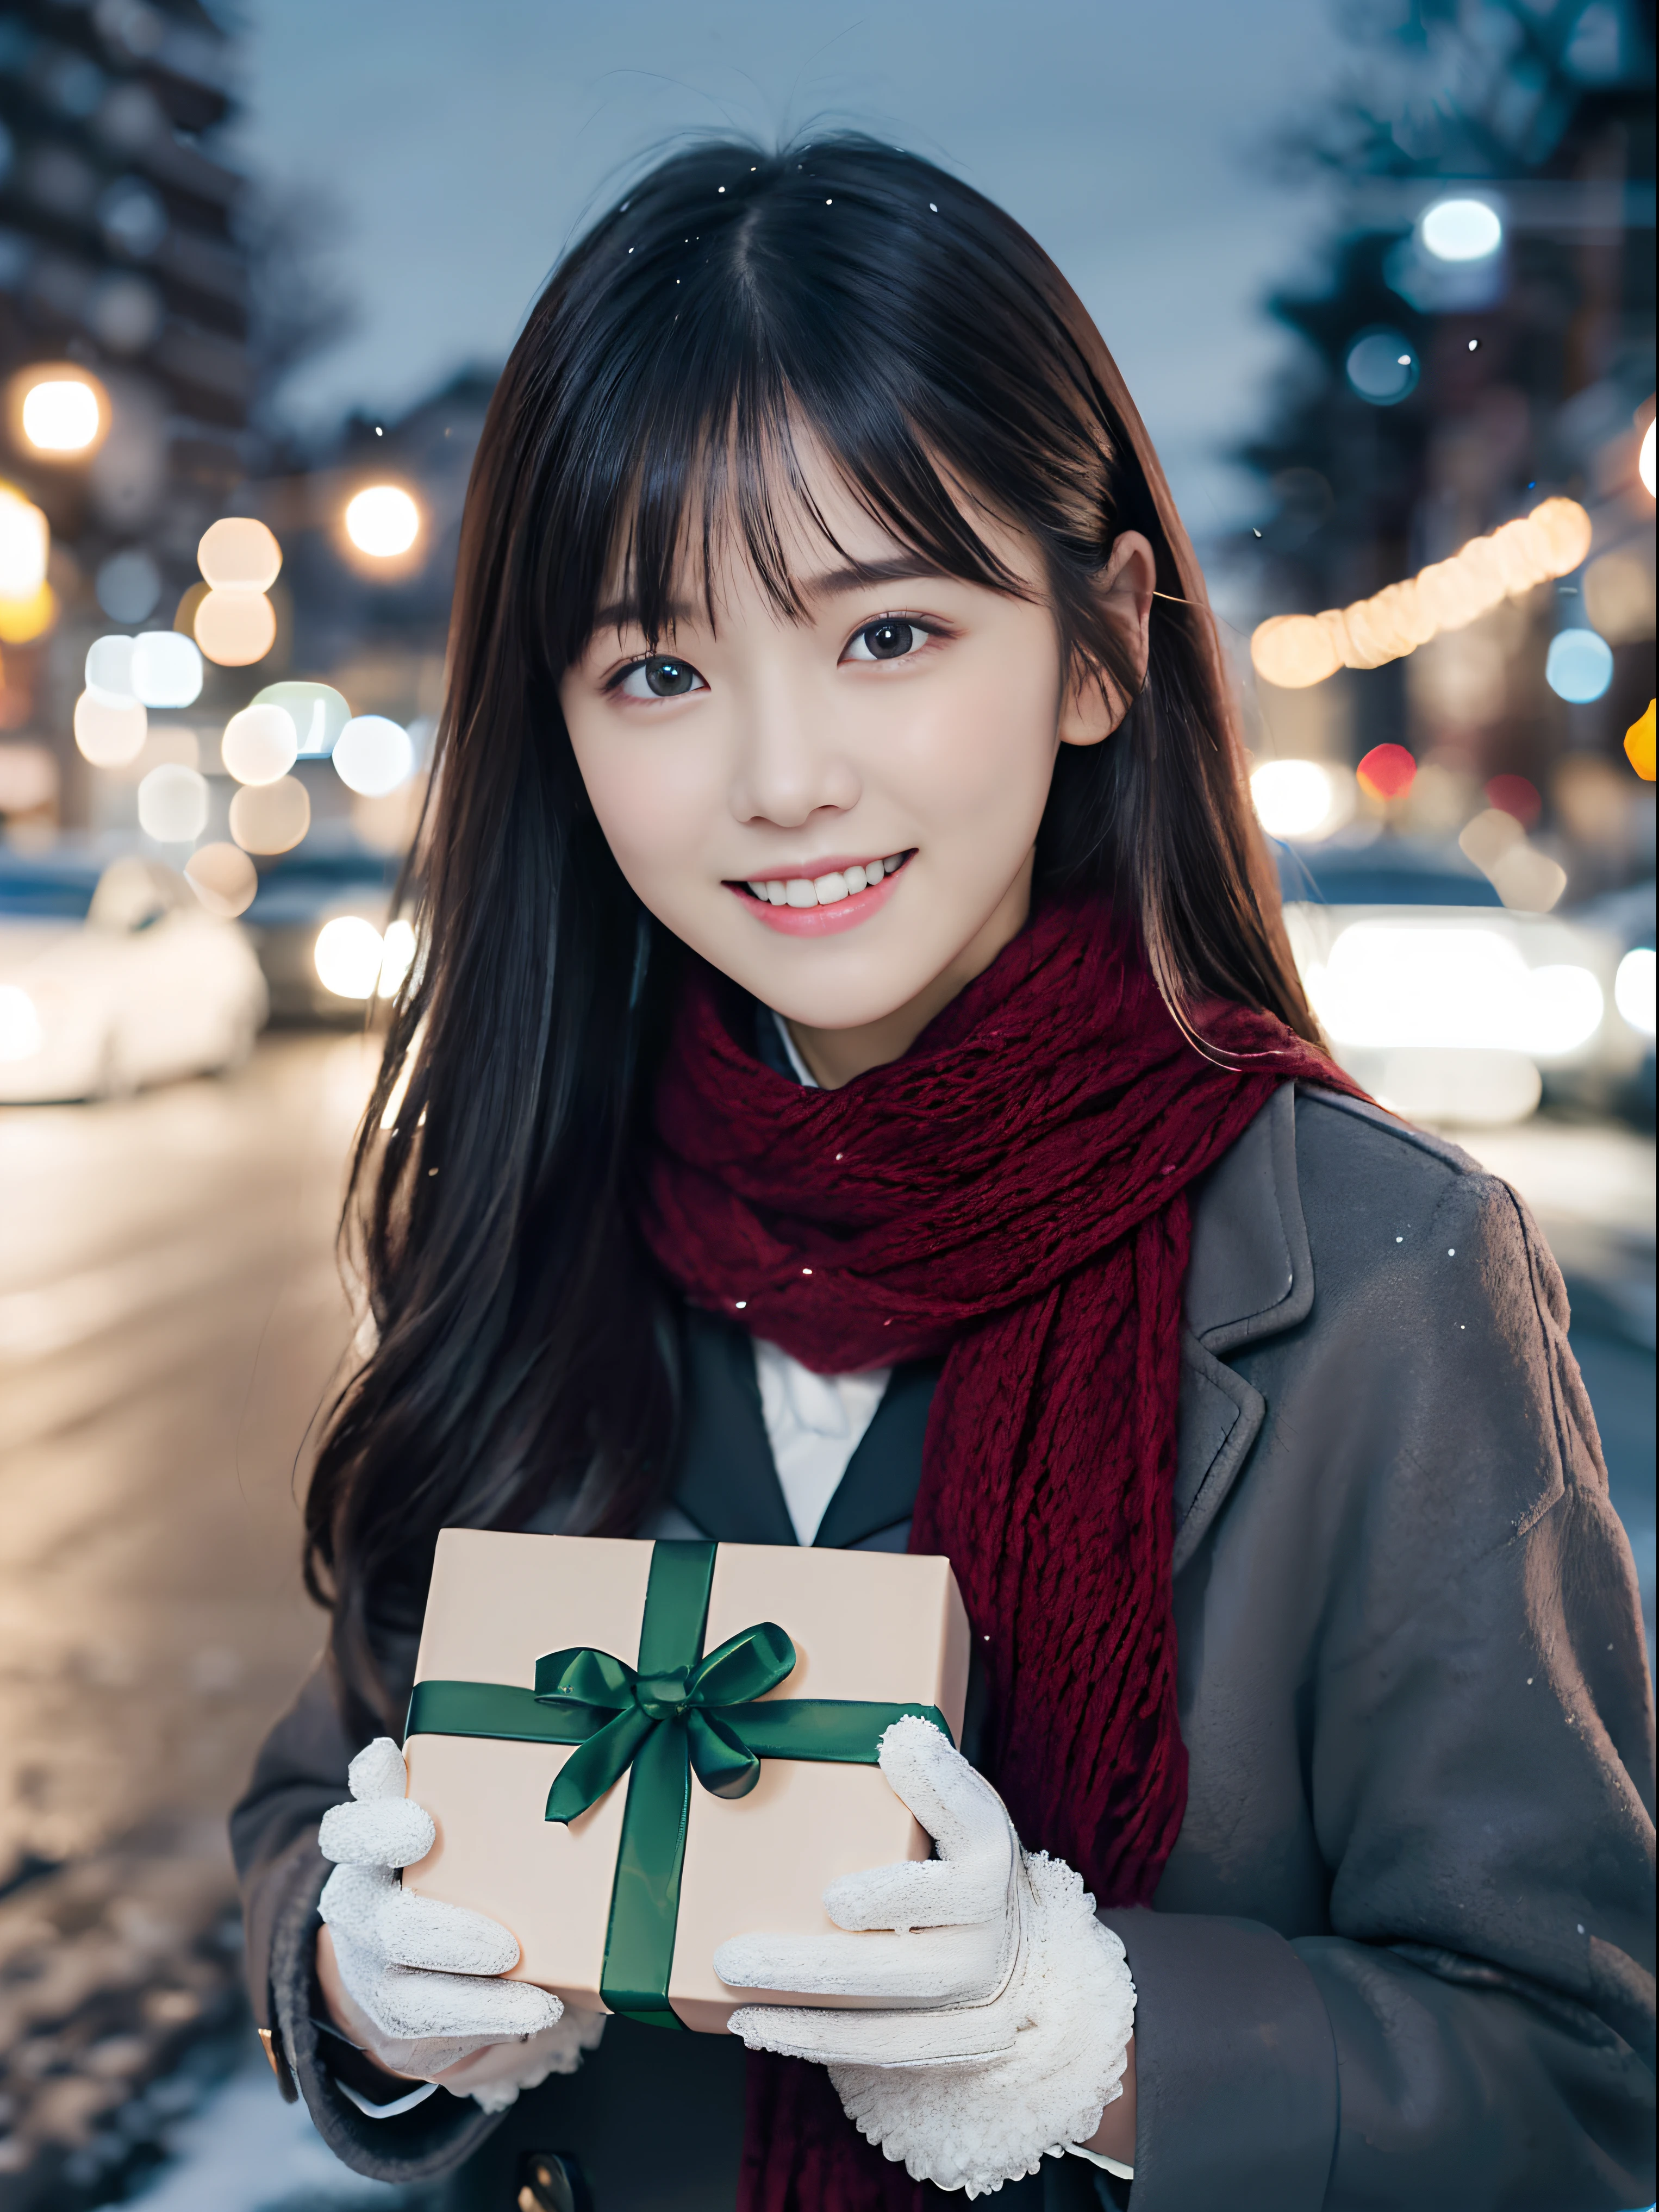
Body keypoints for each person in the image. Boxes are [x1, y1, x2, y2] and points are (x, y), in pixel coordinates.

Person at [230, 138, 1655, 2212]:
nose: (781, 770)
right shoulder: (534, 1196)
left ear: (1098, 649)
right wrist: (359, 1976)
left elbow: (1575, 2075)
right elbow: (320, 1791)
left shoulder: (1379, 1269)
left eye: (886, 633)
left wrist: (1093, 2039)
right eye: (658, 670)